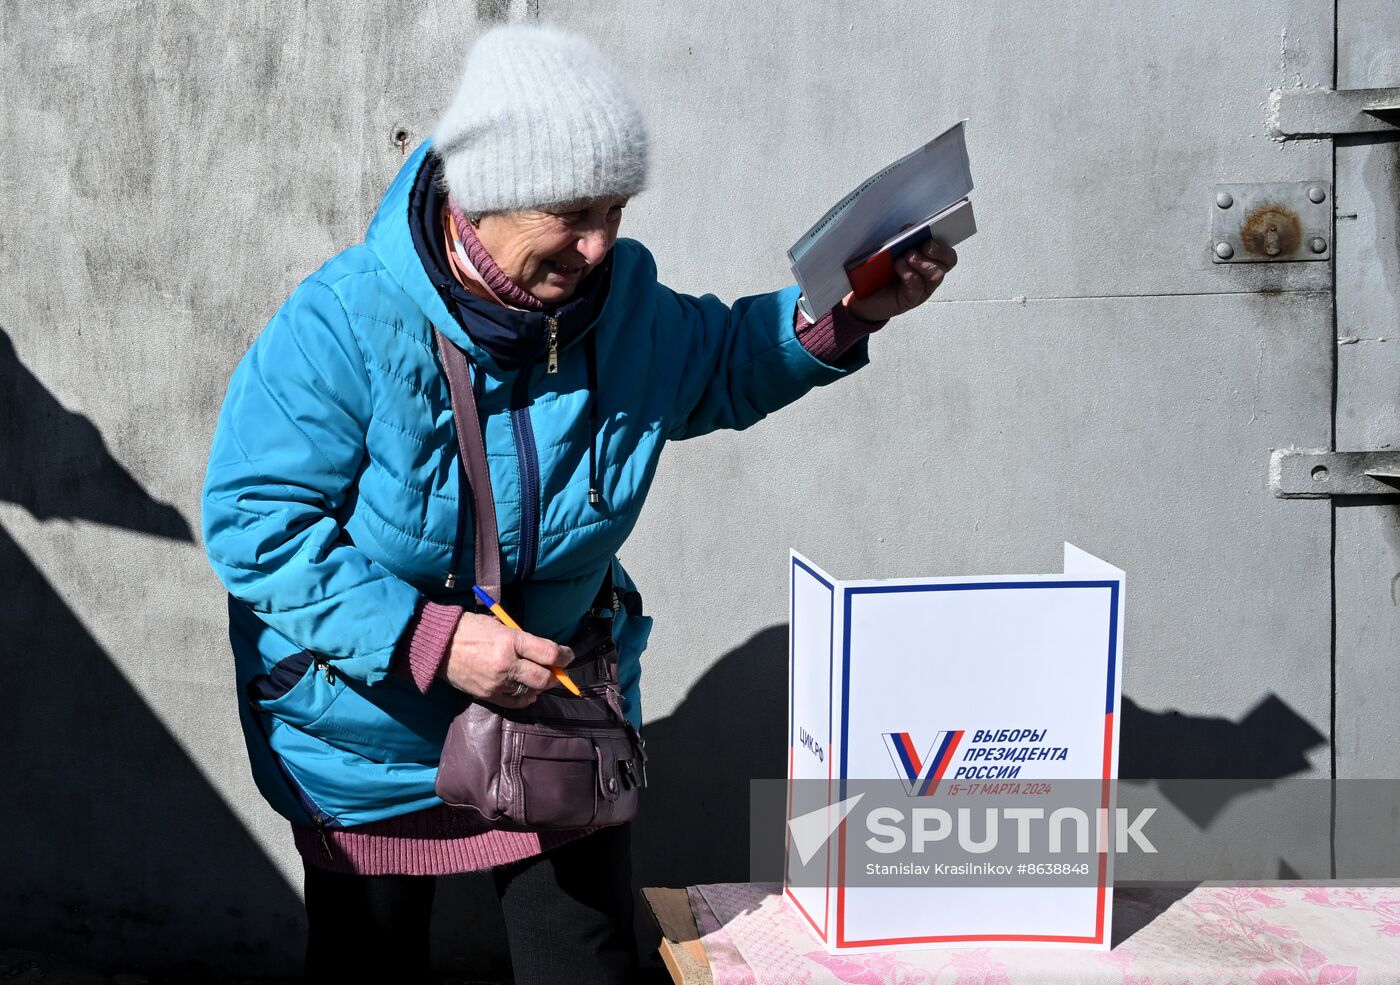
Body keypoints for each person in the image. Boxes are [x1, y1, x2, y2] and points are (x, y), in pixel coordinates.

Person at [201, 22, 955, 985]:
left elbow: (718, 362)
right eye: (572, 212)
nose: (600, 245)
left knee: (587, 966)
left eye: (617, 210)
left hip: (557, 719)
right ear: (483, 197)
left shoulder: (622, 300)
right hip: (365, 733)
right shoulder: (341, 323)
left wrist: (840, 316)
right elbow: (256, 525)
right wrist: (428, 640)